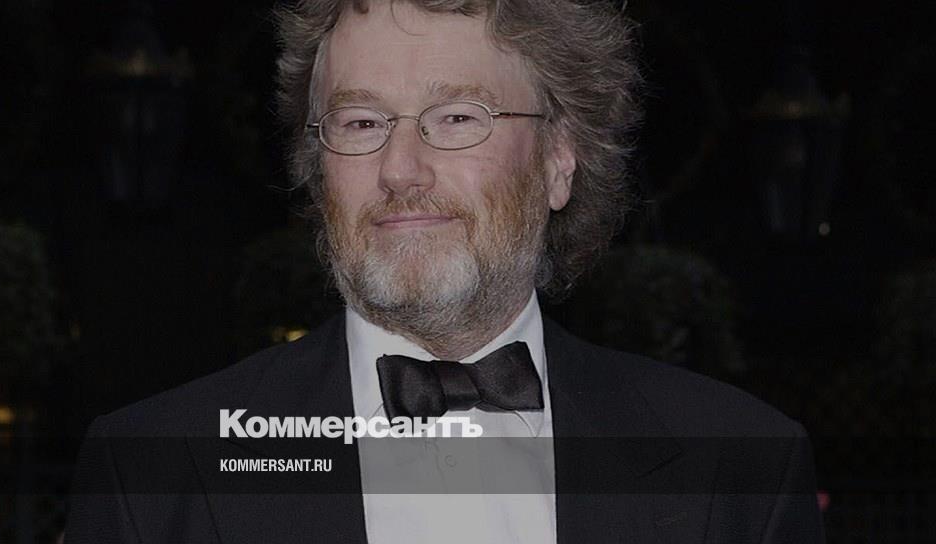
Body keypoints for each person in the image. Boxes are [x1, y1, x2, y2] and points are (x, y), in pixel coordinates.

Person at [65, 0, 825, 542]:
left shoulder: (738, 474)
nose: (401, 169)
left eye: (458, 117)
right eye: (362, 122)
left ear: (560, 160)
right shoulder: (154, 478)